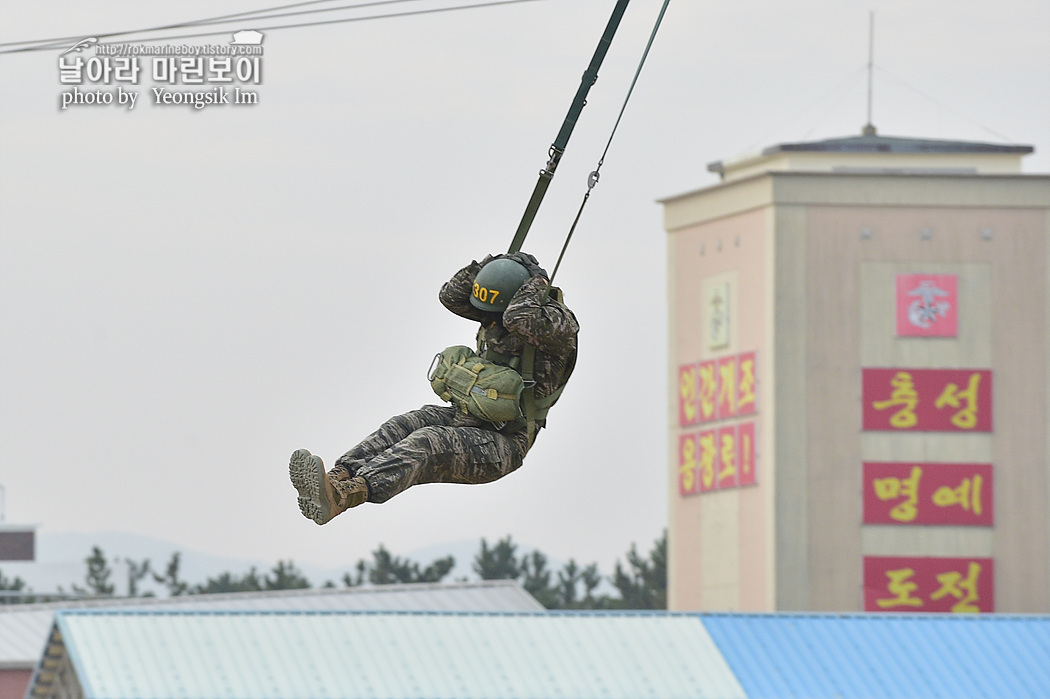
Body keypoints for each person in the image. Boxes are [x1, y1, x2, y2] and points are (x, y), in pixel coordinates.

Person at [289, 252, 579, 525]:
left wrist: (534, 281)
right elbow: (451, 295)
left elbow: (520, 319)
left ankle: (347, 495)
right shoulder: (498, 313)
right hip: (466, 418)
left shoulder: (556, 327)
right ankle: (338, 477)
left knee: (428, 441)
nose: (488, 320)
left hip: (504, 443)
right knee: (406, 423)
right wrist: (490, 265)